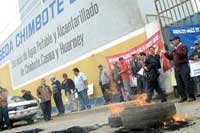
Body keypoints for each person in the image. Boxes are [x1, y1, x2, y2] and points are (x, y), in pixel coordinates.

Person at [163, 36, 196, 103]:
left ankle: (191, 96)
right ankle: (183, 96)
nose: (172, 42)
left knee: (186, 81)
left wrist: (175, 50)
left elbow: (183, 55)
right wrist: (165, 53)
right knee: (179, 83)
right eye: (171, 41)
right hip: (177, 67)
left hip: (183, 66)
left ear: (177, 40)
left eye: (173, 40)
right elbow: (170, 58)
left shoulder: (183, 46)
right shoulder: (174, 49)